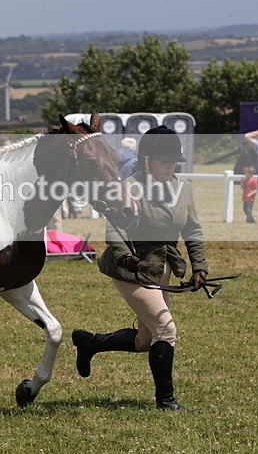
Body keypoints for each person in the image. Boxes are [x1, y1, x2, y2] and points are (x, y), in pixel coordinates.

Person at [72, 126, 208, 411]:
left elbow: (193, 231)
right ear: (146, 160)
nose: (169, 165)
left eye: (173, 160)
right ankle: (166, 401)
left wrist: (199, 268)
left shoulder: (184, 188)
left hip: (163, 266)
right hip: (130, 267)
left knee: (146, 339)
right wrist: (125, 257)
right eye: (163, 160)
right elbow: (114, 229)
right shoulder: (129, 186)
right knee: (165, 329)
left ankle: (90, 343)